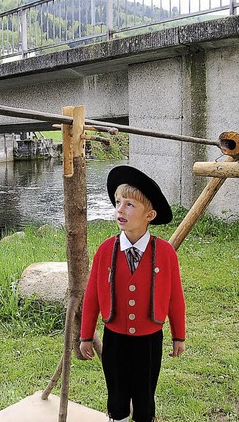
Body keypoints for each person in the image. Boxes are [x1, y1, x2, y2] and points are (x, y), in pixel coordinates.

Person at [79, 165, 186, 422]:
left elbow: (175, 298)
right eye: (118, 202)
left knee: (144, 392)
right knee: (116, 391)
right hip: (115, 338)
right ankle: (117, 417)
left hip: (150, 339)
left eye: (129, 205)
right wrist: (85, 336)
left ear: (149, 215)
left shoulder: (166, 253)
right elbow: (92, 296)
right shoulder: (106, 250)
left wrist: (178, 336)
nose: (120, 210)